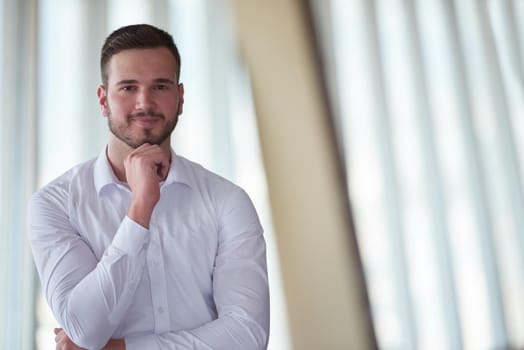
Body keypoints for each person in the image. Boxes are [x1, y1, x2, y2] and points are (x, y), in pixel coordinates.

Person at [28, 24, 269, 350]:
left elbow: (247, 336)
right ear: (103, 100)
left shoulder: (227, 201)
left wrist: (118, 348)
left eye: (160, 86)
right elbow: (84, 327)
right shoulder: (56, 204)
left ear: (180, 98)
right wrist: (140, 208)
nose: (145, 102)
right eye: (128, 88)